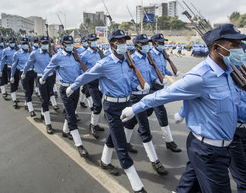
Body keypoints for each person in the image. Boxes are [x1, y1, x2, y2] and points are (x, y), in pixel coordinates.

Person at [120, 24, 246, 193]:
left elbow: (236, 107)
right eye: (235, 45)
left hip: (224, 146)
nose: (240, 50)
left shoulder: (230, 72)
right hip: (207, 150)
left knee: (187, 188)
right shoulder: (200, 77)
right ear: (217, 48)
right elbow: (164, 95)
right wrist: (135, 108)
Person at [66, 29, 147, 193]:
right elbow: (87, 75)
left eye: (125, 41)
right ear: (112, 45)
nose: (124, 44)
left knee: (114, 136)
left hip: (126, 105)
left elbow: (130, 81)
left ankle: (104, 161)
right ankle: (138, 187)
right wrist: (73, 86)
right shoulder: (105, 63)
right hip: (112, 107)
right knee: (122, 146)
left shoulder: (126, 62)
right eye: (120, 41)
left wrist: (137, 86)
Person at [123, 33, 168, 175]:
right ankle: (154, 161)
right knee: (144, 128)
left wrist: (157, 80)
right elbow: (126, 78)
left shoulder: (147, 58)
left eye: (148, 43)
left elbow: (150, 74)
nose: (148, 45)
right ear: (137, 46)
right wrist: (136, 86)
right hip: (136, 97)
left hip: (146, 96)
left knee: (132, 122)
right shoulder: (131, 59)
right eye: (145, 43)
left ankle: (125, 143)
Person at [41, 35, 89, 157]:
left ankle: (65, 131)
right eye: (67, 43)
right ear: (62, 45)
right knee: (71, 116)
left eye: (71, 43)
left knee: (72, 110)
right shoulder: (57, 57)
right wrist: (43, 79)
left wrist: (78, 59)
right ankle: (79, 144)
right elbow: (48, 69)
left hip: (75, 87)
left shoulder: (75, 55)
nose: (70, 45)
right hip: (65, 89)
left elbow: (84, 71)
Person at [149, 33, 181, 153]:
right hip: (152, 87)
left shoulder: (162, 54)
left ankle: (137, 127)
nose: (163, 44)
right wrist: (156, 79)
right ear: (154, 43)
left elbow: (162, 69)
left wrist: (171, 73)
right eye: (161, 42)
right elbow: (147, 71)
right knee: (161, 112)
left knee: (146, 111)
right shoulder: (149, 55)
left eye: (163, 42)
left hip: (160, 86)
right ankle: (169, 141)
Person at [22, 36, 55, 134]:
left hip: (51, 77)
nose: (45, 45)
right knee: (44, 99)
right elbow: (28, 64)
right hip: (41, 79)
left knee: (48, 97)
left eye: (46, 43)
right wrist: (24, 73)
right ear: (40, 43)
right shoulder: (34, 54)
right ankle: (48, 124)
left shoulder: (51, 52)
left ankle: (42, 112)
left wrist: (53, 53)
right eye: (43, 43)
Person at [79, 33, 106, 139]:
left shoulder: (99, 52)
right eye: (93, 40)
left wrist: (101, 53)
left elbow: (105, 63)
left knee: (99, 105)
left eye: (96, 40)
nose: (95, 42)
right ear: (88, 42)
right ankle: (93, 126)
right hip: (91, 82)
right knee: (98, 104)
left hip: (101, 82)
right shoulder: (84, 54)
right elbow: (81, 68)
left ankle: (94, 123)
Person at [0, 37, 17, 102]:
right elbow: (2, 60)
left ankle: (14, 94)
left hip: (17, 69)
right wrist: (1, 70)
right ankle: (14, 99)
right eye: (11, 43)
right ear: (9, 43)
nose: (12, 44)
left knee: (16, 84)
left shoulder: (18, 49)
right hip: (9, 68)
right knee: (12, 83)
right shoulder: (5, 50)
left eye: (13, 42)